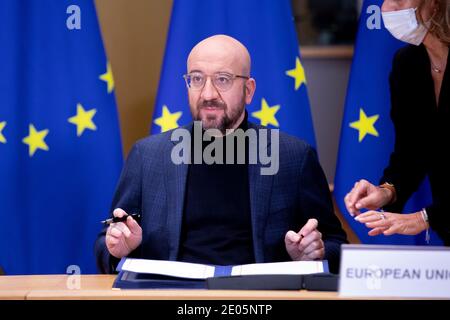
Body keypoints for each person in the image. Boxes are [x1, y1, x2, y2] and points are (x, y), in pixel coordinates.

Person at [95, 35, 347, 274]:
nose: (207, 94)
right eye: (196, 79)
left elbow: (336, 245)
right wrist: (120, 250)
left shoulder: (293, 157)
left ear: (248, 90)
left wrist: (313, 254)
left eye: (223, 79)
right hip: (173, 296)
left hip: (258, 300)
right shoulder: (148, 156)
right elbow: (105, 247)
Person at [345, 0, 449, 244]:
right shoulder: (408, 63)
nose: (386, 8)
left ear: (435, 4)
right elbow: (411, 152)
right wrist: (387, 191)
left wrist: (425, 218)